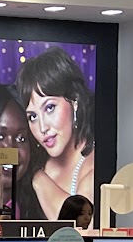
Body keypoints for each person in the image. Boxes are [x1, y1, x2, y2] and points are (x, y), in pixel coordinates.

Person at [18, 47, 96, 220]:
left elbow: (79, 227)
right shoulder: (32, 162)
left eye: (50, 108)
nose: (43, 127)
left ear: (75, 101)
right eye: (32, 116)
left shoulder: (95, 168)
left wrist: (37, 178)